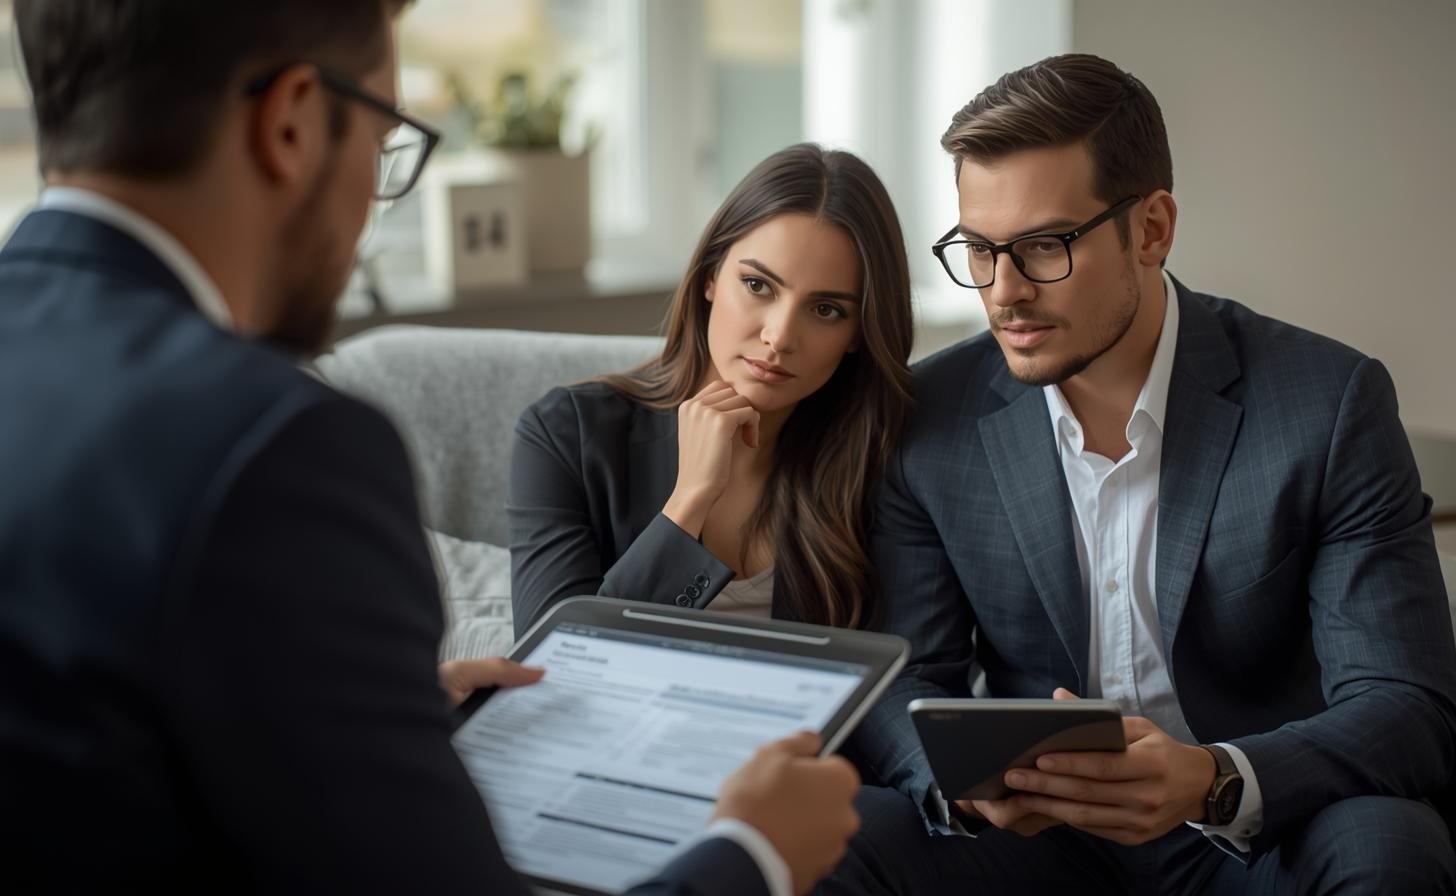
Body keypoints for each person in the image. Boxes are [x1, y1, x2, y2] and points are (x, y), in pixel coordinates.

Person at [0, 3, 859, 893]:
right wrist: (751, 854)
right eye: (386, 143)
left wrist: (360, 724)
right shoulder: (277, 445)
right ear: (291, 122)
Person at [820, 53, 1456, 895]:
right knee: (835, 837)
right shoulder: (929, 417)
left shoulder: (1329, 402)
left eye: (1045, 246)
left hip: (1265, 822)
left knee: (1387, 850)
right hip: (1040, 834)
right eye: (979, 250)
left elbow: (1405, 704)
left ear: (1153, 228)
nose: (1005, 292)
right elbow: (905, 675)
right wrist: (972, 787)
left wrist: (1213, 778)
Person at [508, 143, 913, 635]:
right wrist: (689, 501)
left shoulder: (883, 455)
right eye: (758, 286)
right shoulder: (564, 434)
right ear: (709, 278)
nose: (780, 336)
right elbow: (557, 661)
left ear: (857, 335)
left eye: (826, 310)